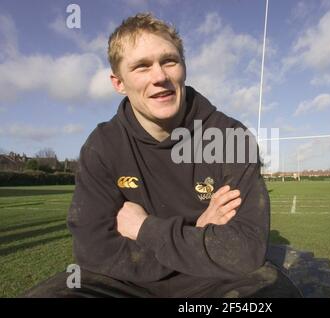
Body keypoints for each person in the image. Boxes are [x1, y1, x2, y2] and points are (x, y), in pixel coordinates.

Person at [23, 13, 301, 298]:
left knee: (271, 294)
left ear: (184, 67)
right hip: (127, 284)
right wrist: (197, 231)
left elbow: (244, 250)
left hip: (215, 281)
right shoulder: (101, 147)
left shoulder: (230, 136)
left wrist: (146, 229)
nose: (160, 77)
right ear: (118, 83)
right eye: (142, 66)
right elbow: (94, 253)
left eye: (169, 61)